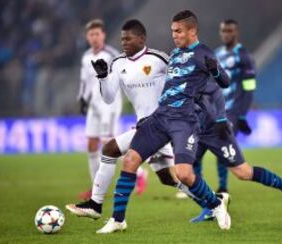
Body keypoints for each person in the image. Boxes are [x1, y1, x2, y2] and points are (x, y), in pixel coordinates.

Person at [94, 10, 232, 233]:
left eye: (178, 31)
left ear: (192, 31)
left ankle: (216, 204)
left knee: (184, 174)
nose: (174, 35)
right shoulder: (175, 54)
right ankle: (117, 220)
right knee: (129, 161)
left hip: (183, 121)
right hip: (160, 117)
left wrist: (215, 70)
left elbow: (224, 82)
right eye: (172, 31)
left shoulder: (204, 53)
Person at [66, 19, 197, 223]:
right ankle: (213, 201)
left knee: (110, 149)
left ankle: (97, 205)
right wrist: (102, 77)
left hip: (163, 125)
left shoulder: (158, 58)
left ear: (142, 38)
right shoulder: (118, 63)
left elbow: (182, 80)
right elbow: (109, 97)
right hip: (145, 126)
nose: (124, 42)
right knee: (167, 178)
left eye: (128, 38)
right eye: (122, 39)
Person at [189, 82, 282, 223]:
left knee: (243, 172)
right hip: (193, 129)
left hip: (213, 128)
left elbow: (216, 88)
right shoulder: (168, 74)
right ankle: (210, 207)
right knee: (187, 169)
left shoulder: (193, 69)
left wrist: (223, 118)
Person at [193, 19, 257, 194]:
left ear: (236, 32)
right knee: (195, 148)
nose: (225, 34)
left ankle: (222, 187)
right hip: (211, 109)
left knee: (223, 150)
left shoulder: (244, 56)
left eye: (229, 31)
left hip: (233, 111)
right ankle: (196, 186)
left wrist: (242, 116)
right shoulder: (217, 53)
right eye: (223, 31)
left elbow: (249, 88)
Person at [77, 19, 122, 200]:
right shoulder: (86, 56)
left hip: (109, 106)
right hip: (94, 106)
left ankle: (138, 171)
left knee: (108, 145)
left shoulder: (112, 54)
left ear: (103, 35)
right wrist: (82, 98)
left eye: (97, 34)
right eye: (91, 34)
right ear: (87, 37)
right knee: (91, 145)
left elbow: (119, 78)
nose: (94, 37)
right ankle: (95, 187)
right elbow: (85, 81)